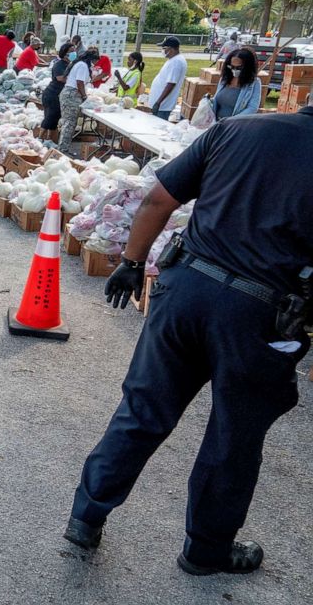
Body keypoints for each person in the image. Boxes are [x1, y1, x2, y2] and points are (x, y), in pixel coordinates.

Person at [65, 92, 313, 577]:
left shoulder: (241, 128)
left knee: (143, 409)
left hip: (184, 289)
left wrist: (132, 264)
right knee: (233, 435)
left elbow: (159, 198)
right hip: (258, 315)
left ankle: (86, 516)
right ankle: (206, 550)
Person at [57, 48, 98, 154]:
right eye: (94, 62)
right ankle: (63, 149)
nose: (94, 64)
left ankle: (62, 147)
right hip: (72, 95)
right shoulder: (83, 66)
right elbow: (79, 82)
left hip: (69, 93)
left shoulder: (79, 63)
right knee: (70, 123)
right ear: (90, 59)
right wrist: (84, 96)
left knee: (67, 123)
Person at [213, 48, 262, 120]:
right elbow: (217, 100)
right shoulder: (224, 80)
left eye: (239, 67)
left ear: (247, 67)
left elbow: (252, 108)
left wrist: (230, 121)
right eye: (232, 67)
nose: (235, 70)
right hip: (217, 124)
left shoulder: (254, 83)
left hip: (236, 126)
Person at [37, 42, 72, 141]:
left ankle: (48, 140)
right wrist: (74, 80)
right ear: (65, 53)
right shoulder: (59, 65)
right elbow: (60, 78)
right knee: (50, 117)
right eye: (71, 51)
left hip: (58, 95)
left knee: (55, 118)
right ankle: (40, 138)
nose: (74, 53)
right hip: (52, 94)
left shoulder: (69, 64)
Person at [148, 36, 188, 120]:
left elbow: (171, 84)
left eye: (164, 48)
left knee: (157, 129)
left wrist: (158, 102)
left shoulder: (176, 62)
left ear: (171, 49)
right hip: (161, 105)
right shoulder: (173, 59)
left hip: (163, 106)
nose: (163, 50)